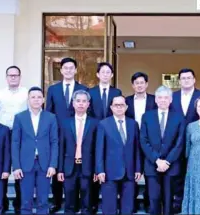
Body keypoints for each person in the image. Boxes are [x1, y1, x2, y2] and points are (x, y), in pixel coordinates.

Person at [46, 57, 88, 213]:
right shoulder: (53, 89)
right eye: (66, 68)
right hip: (58, 134)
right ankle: (57, 202)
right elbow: (49, 113)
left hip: (77, 133)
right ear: (61, 70)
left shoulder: (83, 88)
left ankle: (77, 203)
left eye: (72, 68)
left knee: (77, 170)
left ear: (76, 70)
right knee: (58, 168)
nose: (69, 70)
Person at [11, 87, 59, 215]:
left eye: (39, 97)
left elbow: (54, 142)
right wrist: (16, 166)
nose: (36, 100)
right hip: (25, 164)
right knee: (25, 201)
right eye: (33, 97)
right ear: (28, 100)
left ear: (43, 99)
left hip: (45, 164)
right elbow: (15, 143)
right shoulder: (20, 117)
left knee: (43, 201)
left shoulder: (51, 117)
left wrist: (53, 165)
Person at [140, 85, 186, 215]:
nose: (163, 100)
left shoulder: (179, 117)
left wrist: (167, 161)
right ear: (155, 100)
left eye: (166, 98)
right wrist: (156, 160)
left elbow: (180, 143)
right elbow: (143, 140)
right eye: (160, 97)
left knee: (168, 201)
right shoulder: (147, 116)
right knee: (153, 200)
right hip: (152, 165)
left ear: (171, 100)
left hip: (171, 166)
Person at [170, 68, 200, 211]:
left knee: (196, 172)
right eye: (183, 78)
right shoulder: (172, 96)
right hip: (176, 142)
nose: (186, 80)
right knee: (178, 173)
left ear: (194, 80)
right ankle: (179, 202)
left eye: (189, 78)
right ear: (179, 81)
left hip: (197, 142)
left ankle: (196, 203)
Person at [95, 95, 142, 215]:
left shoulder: (133, 124)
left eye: (122, 105)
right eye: (116, 105)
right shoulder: (103, 124)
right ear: (111, 107)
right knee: (109, 208)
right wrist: (100, 170)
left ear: (126, 107)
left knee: (127, 208)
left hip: (130, 172)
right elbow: (99, 149)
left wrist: (138, 169)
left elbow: (137, 148)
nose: (119, 107)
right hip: (109, 173)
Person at [57, 90, 99, 215]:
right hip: (69, 167)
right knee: (69, 202)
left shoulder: (95, 123)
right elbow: (61, 147)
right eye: (78, 101)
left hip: (88, 167)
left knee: (87, 202)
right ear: (73, 103)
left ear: (88, 104)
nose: (81, 104)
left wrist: (97, 170)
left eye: (84, 101)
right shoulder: (65, 123)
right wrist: (60, 169)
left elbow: (98, 148)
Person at [88, 62, 122, 212]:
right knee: (95, 165)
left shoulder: (117, 92)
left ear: (112, 75)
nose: (105, 75)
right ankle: (93, 201)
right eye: (103, 72)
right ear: (97, 74)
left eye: (108, 72)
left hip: (111, 134)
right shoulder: (91, 92)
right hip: (93, 132)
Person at [0, 65, 28, 213]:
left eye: (16, 75)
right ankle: (3, 201)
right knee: (3, 168)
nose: (13, 77)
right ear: (6, 77)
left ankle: (19, 202)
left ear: (20, 77)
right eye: (10, 75)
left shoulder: (27, 93)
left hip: (22, 134)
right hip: (3, 133)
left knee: (21, 168)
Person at [124, 72, 157, 212]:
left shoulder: (154, 100)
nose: (139, 85)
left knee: (150, 173)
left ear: (147, 84)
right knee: (133, 172)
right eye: (136, 83)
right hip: (132, 140)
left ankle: (149, 202)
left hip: (150, 140)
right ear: (132, 85)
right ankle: (133, 202)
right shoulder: (126, 101)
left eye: (142, 82)